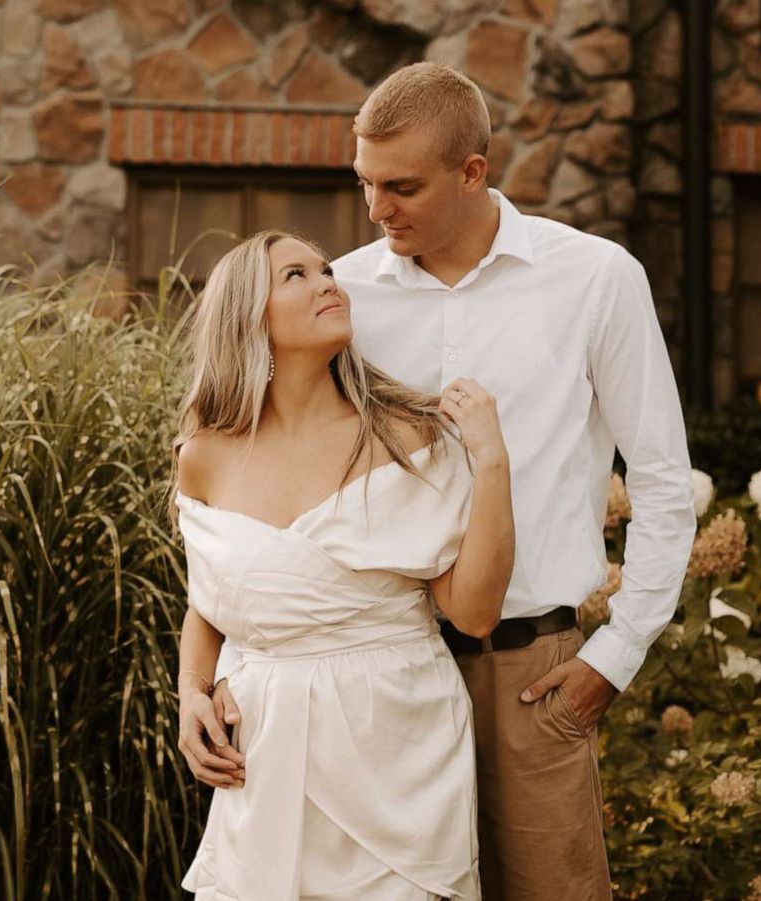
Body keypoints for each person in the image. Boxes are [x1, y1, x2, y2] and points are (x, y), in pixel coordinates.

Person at [193, 64, 698, 899]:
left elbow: (663, 482)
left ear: (473, 173)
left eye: (401, 186)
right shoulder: (339, 296)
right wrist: (213, 673)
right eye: (364, 184)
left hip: (525, 672)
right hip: (369, 683)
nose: (376, 209)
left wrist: (617, 650)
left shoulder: (597, 279)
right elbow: (262, 505)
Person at [172, 229, 515, 900]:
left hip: (398, 741)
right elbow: (212, 597)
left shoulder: (406, 435)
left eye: (326, 269)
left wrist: (493, 461)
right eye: (295, 275)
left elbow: (473, 612)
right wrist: (190, 691)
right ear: (250, 315)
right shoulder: (204, 454)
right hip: (264, 746)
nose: (328, 281)